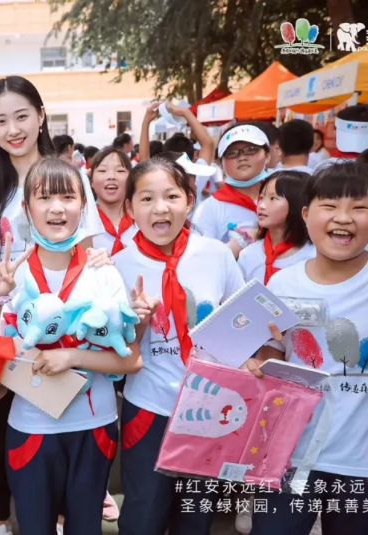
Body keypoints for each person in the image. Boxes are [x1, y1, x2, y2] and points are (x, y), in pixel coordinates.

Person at [245, 162, 368, 535]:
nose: (343, 218)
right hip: (292, 457)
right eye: (329, 206)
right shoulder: (282, 282)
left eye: (359, 207)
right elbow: (272, 351)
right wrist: (262, 364)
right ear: (306, 214)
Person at [0, 158, 140, 535]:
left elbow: (129, 360)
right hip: (30, 425)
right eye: (45, 198)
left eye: (68, 197)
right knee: (35, 526)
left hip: (94, 424)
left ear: (83, 206)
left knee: (85, 526)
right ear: (26, 208)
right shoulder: (10, 274)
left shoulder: (104, 271)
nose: (57, 208)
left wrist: (70, 356)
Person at [0, 75, 106, 535]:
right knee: (6, 425)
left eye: (21, 116)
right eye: (0, 121)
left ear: (41, 116)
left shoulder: (68, 177)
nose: (13, 129)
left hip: (66, 327)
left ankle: (71, 509)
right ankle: (7, 517)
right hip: (12, 324)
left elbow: (88, 254)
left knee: (67, 418)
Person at [111, 156, 244, 535]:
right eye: (147, 198)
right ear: (130, 208)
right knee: (143, 513)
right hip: (148, 408)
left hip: (208, 408)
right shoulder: (116, 266)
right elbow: (113, 351)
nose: (160, 208)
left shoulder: (216, 254)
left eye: (171, 196)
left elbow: (240, 320)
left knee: (195, 515)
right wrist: (135, 323)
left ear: (189, 200)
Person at [192, 123, 271, 256]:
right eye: (232, 153)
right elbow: (201, 258)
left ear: (267, 155)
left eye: (251, 149)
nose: (242, 157)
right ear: (220, 163)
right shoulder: (209, 208)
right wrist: (239, 244)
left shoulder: (287, 198)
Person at [237, 171, 314, 284]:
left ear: (297, 203)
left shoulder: (313, 257)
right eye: (261, 197)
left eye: (273, 198)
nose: (261, 205)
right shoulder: (248, 255)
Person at [90, 147, 137, 255]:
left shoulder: (143, 222)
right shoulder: (82, 225)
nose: (111, 176)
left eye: (120, 171)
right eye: (102, 171)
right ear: (92, 181)